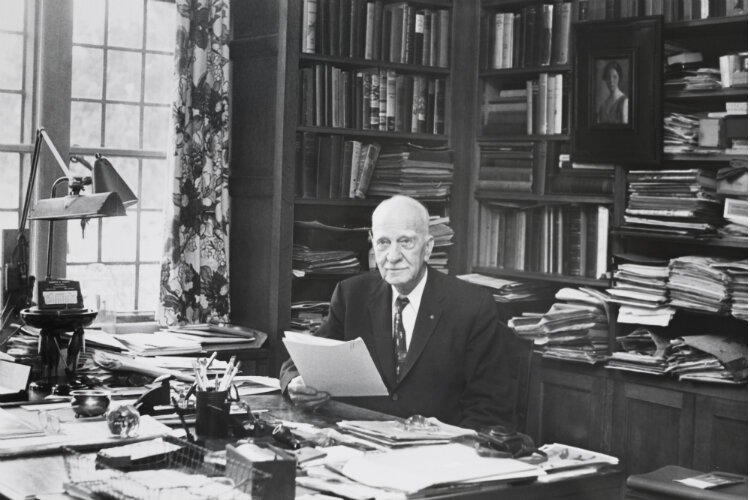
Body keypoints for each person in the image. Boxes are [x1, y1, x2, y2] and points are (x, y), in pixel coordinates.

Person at [279, 195, 514, 430]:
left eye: (405, 242)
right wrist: (293, 384)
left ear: (428, 247)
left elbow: (489, 408)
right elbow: (302, 361)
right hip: (361, 443)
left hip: (437, 452)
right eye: (383, 242)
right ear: (372, 242)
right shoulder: (352, 295)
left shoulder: (471, 305)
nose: (392, 256)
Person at [597, 60, 629, 125]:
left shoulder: (624, 101)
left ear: (619, 78)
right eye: (608, 77)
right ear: (605, 79)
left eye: (615, 77)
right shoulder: (602, 107)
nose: (611, 81)